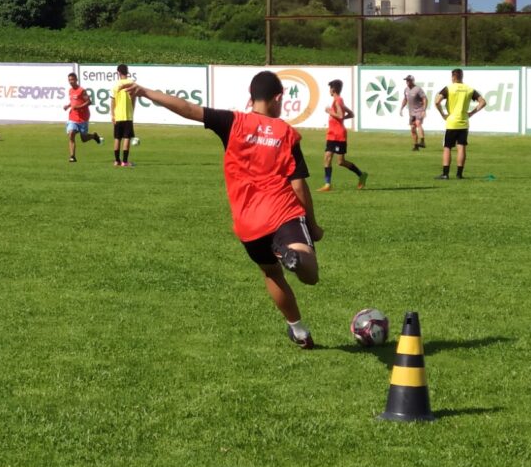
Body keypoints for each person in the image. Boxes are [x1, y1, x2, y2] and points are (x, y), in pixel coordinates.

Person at [125, 71, 324, 349]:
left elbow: (187, 108)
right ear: (278, 98)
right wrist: (313, 225)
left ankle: (299, 330)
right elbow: (299, 185)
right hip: (282, 212)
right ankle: (290, 253)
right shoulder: (286, 133)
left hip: (248, 225)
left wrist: (146, 92)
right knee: (310, 274)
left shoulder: (233, 122)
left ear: (251, 97)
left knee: (271, 274)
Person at [434, 68, 487, 179]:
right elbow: (483, 102)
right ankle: (459, 174)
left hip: (452, 122)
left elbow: (437, 101)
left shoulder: (449, 88)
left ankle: (445, 174)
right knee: (461, 147)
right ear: (462, 77)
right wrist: (472, 113)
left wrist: (442, 113)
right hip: (464, 122)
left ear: (453, 77)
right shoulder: (469, 89)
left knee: (447, 147)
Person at [318, 79, 367, 192]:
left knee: (340, 162)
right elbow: (351, 114)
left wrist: (329, 112)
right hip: (332, 135)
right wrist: (339, 118)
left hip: (338, 135)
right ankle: (327, 184)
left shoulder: (338, 101)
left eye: (330, 88)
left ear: (333, 89)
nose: (329, 91)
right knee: (327, 157)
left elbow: (340, 115)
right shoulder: (338, 101)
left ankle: (361, 174)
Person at [63, 72, 102, 162]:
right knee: (71, 134)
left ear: (76, 80)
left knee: (84, 138)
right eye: (69, 80)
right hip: (72, 117)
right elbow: (73, 101)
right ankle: (72, 156)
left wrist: (79, 107)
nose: (71, 81)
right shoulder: (70, 90)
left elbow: (89, 102)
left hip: (83, 118)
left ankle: (93, 136)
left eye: (72, 79)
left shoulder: (82, 91)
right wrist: (68, 106)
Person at [110, 64, 135, 167]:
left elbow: (112, 101)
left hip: (118, 115)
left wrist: (112, 114)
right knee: (127, 138)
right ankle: (124, 161)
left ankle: (116, 161)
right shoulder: (131, 83)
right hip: (128, 115)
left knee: (117, 138)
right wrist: (132, 110)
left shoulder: (115, 85)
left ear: (118, 72)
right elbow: (134, 99)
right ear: (127, 72)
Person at [399, 74, 428, 150]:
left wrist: (424, 110)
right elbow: (405, 99)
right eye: (406, 80)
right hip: (411, 112)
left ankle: (422, 141)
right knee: (412, 128)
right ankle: (415, 145)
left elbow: (424, 99)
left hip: (419, 110)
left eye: (409, 80)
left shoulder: (418, 89)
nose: (407, 82)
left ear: (412, 81)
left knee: (418, 123)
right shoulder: (406, 89)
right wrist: (401, 108)